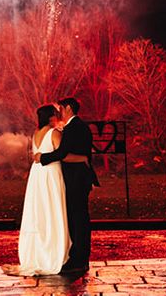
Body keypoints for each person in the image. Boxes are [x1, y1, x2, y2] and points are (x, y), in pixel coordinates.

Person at [18, 104, 89, 276]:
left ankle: (38, 252)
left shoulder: (35, 134)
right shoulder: (54, 133)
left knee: (41, 212)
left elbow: (39, 154)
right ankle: (56, 251)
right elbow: (62, 155)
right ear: (51, 117)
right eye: (56, 114)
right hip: (51, 175)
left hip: (37, 175)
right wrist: (83, 158)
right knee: (54, 210)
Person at [34, 97, 98, 273]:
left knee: (78, 219)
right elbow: (72, 152)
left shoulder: (73, 127)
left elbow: (62, 152)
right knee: (77, 218)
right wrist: (84, 158)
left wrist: (42, 157)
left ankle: (78, 259)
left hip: (77, 178)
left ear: (68, 108)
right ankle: (78, 257)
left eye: (61, 108)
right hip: (77, 177)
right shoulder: (76, 126)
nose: (59, 111)